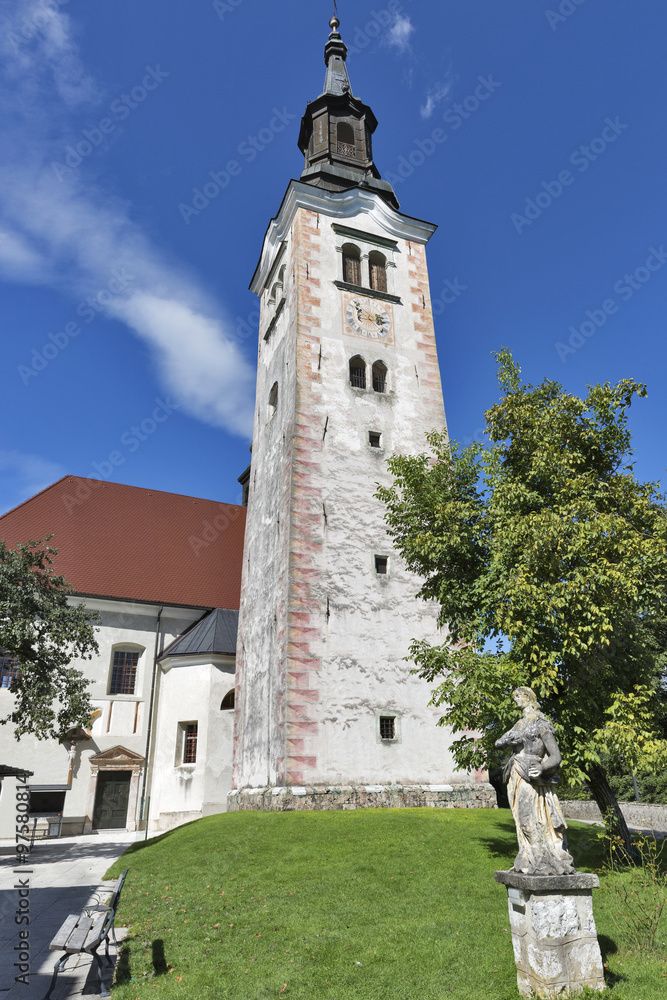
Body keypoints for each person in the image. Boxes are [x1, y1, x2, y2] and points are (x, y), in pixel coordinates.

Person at [495, 687, 575, 876]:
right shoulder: (519, 725)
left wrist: (543, 767)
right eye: (514, 697)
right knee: (520, 819)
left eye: (518, 697)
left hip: (532, 775)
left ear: (529, 698)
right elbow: (498, 743)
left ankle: (543, 860)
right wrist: (508, 739)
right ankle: (531, 858)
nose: (516, 701)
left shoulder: (540, 724)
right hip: (515, 774)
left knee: (528, 820)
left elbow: (555, 756)